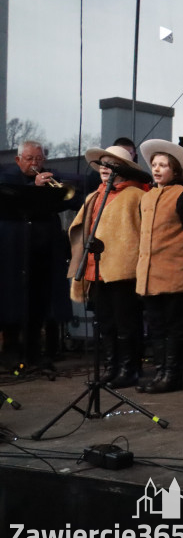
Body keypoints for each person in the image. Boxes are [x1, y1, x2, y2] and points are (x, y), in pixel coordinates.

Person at [67, 145, 148, 388]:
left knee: (126, 322)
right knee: (105, 323)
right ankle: (112, 367)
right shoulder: (94, 196)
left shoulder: (136, 196)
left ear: (123, 169)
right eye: (102, 163)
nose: (104, 168)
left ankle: (129, 369)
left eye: (110, 164)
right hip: (96, 270)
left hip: (123, 271)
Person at [0, 140, 75, 369]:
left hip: (42, 254)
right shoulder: (7, 177)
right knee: (12, 302)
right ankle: (11, 352)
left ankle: (35, 352)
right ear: (18, 159)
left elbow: (71, 198)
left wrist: (56, 190)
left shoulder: (50, 176)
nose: (35, 163)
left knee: (39, 302)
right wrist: (35, 187)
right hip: (13, 253)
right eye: (30, 159)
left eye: (39, 159)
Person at [135, 140, 183, 393]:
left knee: (173, 326)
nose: (157, 169)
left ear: (174, 171)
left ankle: (172, 376)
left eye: (163, 165)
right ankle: (161, 373)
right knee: (156, 326)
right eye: (154, 165)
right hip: (149, 276)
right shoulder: (147, 197)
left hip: (172, 274)